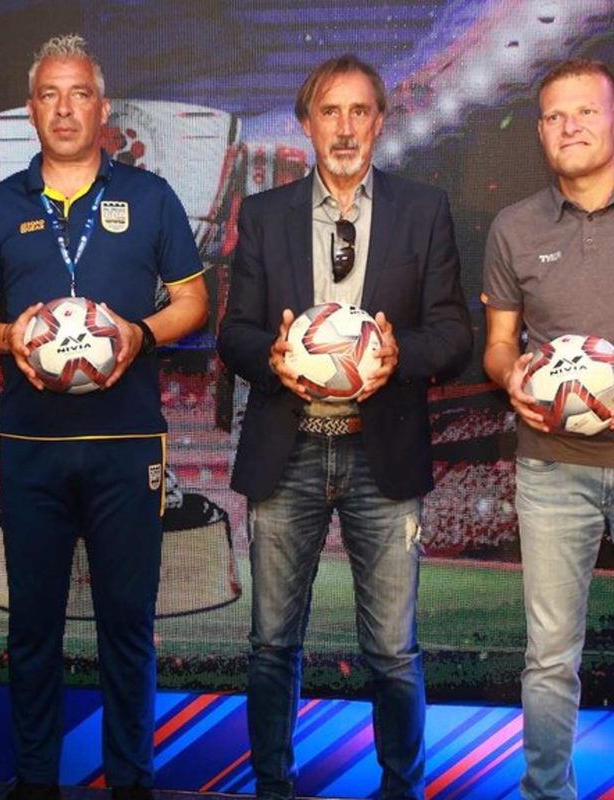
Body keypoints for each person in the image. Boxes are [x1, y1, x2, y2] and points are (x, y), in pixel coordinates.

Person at [0, 35, 208, 800]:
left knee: (128, 627)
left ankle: (131, 781)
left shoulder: (151, 196)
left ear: (103, 109)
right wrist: (10, 337)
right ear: (32, 110)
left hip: (127, 448)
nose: (65, 109)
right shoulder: (0, 207)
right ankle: (35, 782)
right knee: (32, 628)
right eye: (49, 95)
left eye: (80, 94)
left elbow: (194, 301)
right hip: (32, 447)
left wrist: (139, 334)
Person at [217, 55, 472, 800]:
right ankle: (273, 786)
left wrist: (396, 358)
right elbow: (235, 334)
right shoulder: (264, 214)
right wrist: (271, 358)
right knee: (272, 645)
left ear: (380, 122)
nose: (346, 127)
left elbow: (453, 333)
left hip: (381, 452)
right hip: (288, 448)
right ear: (307, 124)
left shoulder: (423, 209)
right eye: (330, 111)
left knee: (392, 650)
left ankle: (401, 789)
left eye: (361, 111)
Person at [482, 58, 614, 800]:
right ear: (539, 132)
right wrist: (512, 377)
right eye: (555, 116)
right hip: (552, 466)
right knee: (551, 658)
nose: (570, 127)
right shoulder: (515, 226)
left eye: (586, 111)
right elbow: (499, 344)